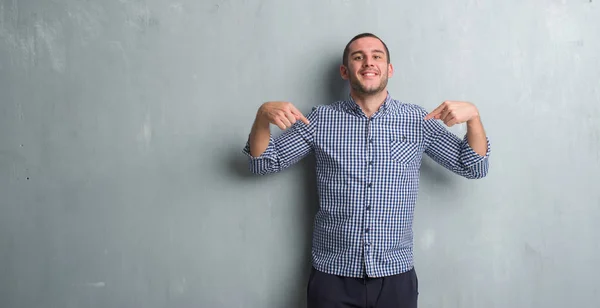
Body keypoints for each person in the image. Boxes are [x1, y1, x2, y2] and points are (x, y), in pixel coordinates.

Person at [242, 33, 490, 308]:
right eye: (358, 57)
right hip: (332, 276)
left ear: (389, 69)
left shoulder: (418, 121)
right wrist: (262, 117)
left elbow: (474, 166)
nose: (368, 62)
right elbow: (263, 163)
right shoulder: (319, 120)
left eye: (377, 56)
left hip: (395, 276)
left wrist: (474, 119)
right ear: (345, 71)